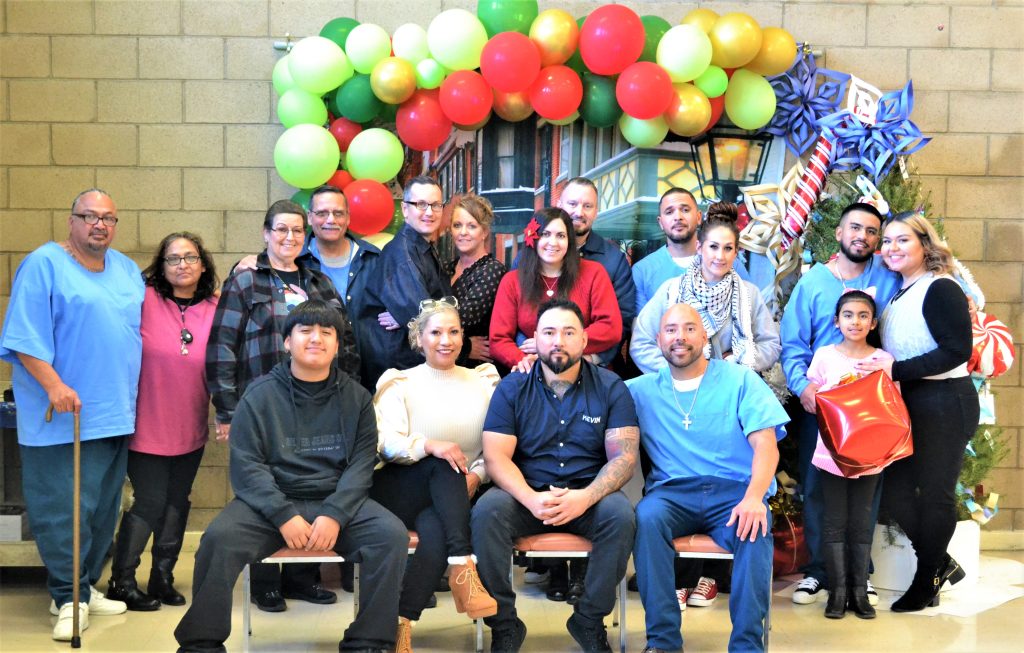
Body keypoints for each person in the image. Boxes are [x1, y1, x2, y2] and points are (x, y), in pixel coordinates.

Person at [174, 300, 407, 653]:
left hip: (336, 500)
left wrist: (335, 514)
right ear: (287, 342)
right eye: (306, 331)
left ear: (337, 343)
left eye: (326, 332)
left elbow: (361, 465)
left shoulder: (357, 398)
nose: (316, 339)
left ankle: (368, 642)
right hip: (271, 502)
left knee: (390, 536)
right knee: (217, 540)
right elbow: (247, 466)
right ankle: (201, 644)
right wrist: (283, 515)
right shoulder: (259, 395)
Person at [0, 189, 141, 640]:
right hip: (64, 416)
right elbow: (22, 338)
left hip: (114, 411)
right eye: (89, 216)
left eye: (108, 218)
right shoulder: (43, 264)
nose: (99, 225)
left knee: (103, 510)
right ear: (71, 221)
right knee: (65, 512)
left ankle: (86, 587)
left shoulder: (124, 268)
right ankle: (66, 596)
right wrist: (54, 385)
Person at [206, 199, 360, 612]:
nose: (289, 238)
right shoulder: (244, 282)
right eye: (281, 230)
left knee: (309, 481)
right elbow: (222, 345)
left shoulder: (318, 283)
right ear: (266, 233)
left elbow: (342, 344)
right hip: (258, 409)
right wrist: (226, 409)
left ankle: (302, 577)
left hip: (316, 407)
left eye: (296, 231)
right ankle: (265, 582)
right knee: (264, 487)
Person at [472, 299, 639, 653]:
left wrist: (585, 497)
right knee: (486, 512)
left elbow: (623, 458)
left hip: (589, 495)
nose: (558, 340)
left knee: (621, 515)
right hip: (526, 494)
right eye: (549, 332)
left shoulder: (611, 388)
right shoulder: (512, 388)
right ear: (535, 338)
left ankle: (589, 620)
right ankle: (504, 624)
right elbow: (496, 456)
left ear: (584, 340)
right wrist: (531, 498)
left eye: (568, 332)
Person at [627, 303, 788, 653]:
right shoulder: (639, 390)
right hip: (671, 496)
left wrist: (753, 498)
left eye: (689, 328)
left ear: (705, 336)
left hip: (734, 493)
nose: (679, 337)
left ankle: (747, 646)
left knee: (755, 527)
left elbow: (766, 447)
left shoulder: (740, 379)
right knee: (646, 518)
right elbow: (586, 393)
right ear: (658, 340)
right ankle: (663, 642)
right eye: (670, 330)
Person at [855, 212, 977, 612]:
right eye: (886, 241)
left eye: (901, 240)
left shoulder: (941, 288)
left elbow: (957, 350)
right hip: (910, 403)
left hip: (945, 402)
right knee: (894, 490)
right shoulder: (899, 292)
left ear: (925, 244)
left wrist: (897, 370)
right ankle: (939, 563)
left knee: (935, 497)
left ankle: (925, 583)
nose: (890, 247)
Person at [779, 202, 900, 607]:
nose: (862, 236)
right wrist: (804, 389)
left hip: (871, 408)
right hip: (824, 403)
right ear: (838, 234)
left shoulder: (887, 274)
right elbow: (794, 344)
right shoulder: (813, 283)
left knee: (867, 486)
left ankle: (858, 575)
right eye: (854, 228)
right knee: (818, 489)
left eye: (870, 231)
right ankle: (818, 572)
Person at [371, 297, 499, 652]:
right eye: (436, 332)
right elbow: (386, 444)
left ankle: (401, 624)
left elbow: (497, 448)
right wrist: (430, 446)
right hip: (399, 487)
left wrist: (477, 475)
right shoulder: (400, 382)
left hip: (454, 496)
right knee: (443, 463)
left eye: (454, 332)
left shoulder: (485, 381)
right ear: (419, 338)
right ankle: (463, 563)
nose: (446, 340)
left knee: (436, 528)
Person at [105, 233, 219, 612]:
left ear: (203, 264)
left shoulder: (217, 307)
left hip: (190, 422)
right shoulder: (143, 299)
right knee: (149, 501)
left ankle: (163, 577)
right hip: (145, 422)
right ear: (161, 266)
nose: (182, 264)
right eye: (172, 259)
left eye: (190, 257)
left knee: (176, 501)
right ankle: (122, 580)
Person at [232, 186, 382, 390]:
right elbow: (226, 343)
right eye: (322, 213)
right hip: (282, 383)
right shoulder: (294, 261)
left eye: (338, 213)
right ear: (310, 218)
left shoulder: (375, 260)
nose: (331, 220)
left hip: (360, 375)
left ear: (348, 217)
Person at [806, 291, 895, 620]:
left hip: (870, 456)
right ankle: (837, 591)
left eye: (862, 316)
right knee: (833, 521)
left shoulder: (882, 359)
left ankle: (859, 591)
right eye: (848, 314)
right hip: (831, 453)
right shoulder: (826, 356)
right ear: (836, 320)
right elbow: (814, 395)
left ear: (873, 323)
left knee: (860, 521)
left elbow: (890, 403)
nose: (855, 321)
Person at [631, 201, 780, 375]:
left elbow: (771, 345)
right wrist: (683, 371)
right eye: (713, 247)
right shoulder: (671, 290)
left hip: (732, 388)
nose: (720, 256)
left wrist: (736, 361)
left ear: (736, 252)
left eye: (728, 248)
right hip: (681, 392)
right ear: (700, 248)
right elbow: (640, 345)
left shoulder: (749, 293)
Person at [490, 208, 622, 375]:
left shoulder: (594, 273)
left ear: (569, 241)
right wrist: (523, 360)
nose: (553, 242)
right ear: (533, 237)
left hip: (584, 371)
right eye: (545, 234)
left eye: (560, 236)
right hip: (531, 372)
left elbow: (611, 328)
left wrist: (554, 343)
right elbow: (498, 340)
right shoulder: (512, 281)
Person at [361, 175, 452, 384]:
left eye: (436, 205)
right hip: (401, 370)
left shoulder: (423, 246)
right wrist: (411, 318)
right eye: (421, 204)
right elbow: (425, 318)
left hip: (413, 364)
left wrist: (407, 317)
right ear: (404, 210)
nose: (429, 212)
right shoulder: (403, 254)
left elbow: (423, 313)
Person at [557, 177, 636, 356]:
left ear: (596, 212)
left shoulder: (614, 260)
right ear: (559, 204)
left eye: (587, 206)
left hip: (593, 365)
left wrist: (591, 359)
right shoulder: (532, 255)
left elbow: (622, 320)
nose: (579, 212)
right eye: (572, 203)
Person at [445, 194, 507, 368]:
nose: (463, 232)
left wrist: (407, 317)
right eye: (457, 225)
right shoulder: (445, 268)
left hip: (477, 369)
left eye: (471, 226)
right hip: (446, 361)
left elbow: (459, 318)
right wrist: (466, 345)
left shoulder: (492, 270)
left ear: (484, 232)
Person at [630, 188, 702, 317]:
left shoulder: (724, 262)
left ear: (698, 217)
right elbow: (642, 329)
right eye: (669, 212)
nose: (678, 217)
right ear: (661, 222)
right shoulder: (642, 270)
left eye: (685, 210)